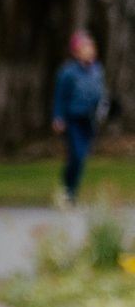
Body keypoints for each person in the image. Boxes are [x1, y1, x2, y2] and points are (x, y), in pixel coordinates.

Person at [52, 30, 106, 209]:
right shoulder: (68, 72)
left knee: (81, 156)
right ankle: (69, 189)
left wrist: (104, 108)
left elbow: (99, 93)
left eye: (91, 46)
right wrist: (58, 117)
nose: (89, 50)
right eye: (85, 47)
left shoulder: (96, 69)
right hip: (73, 118)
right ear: (76, 51)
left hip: (89, 119)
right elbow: (60, 96)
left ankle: (71, 190)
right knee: (76, 154)